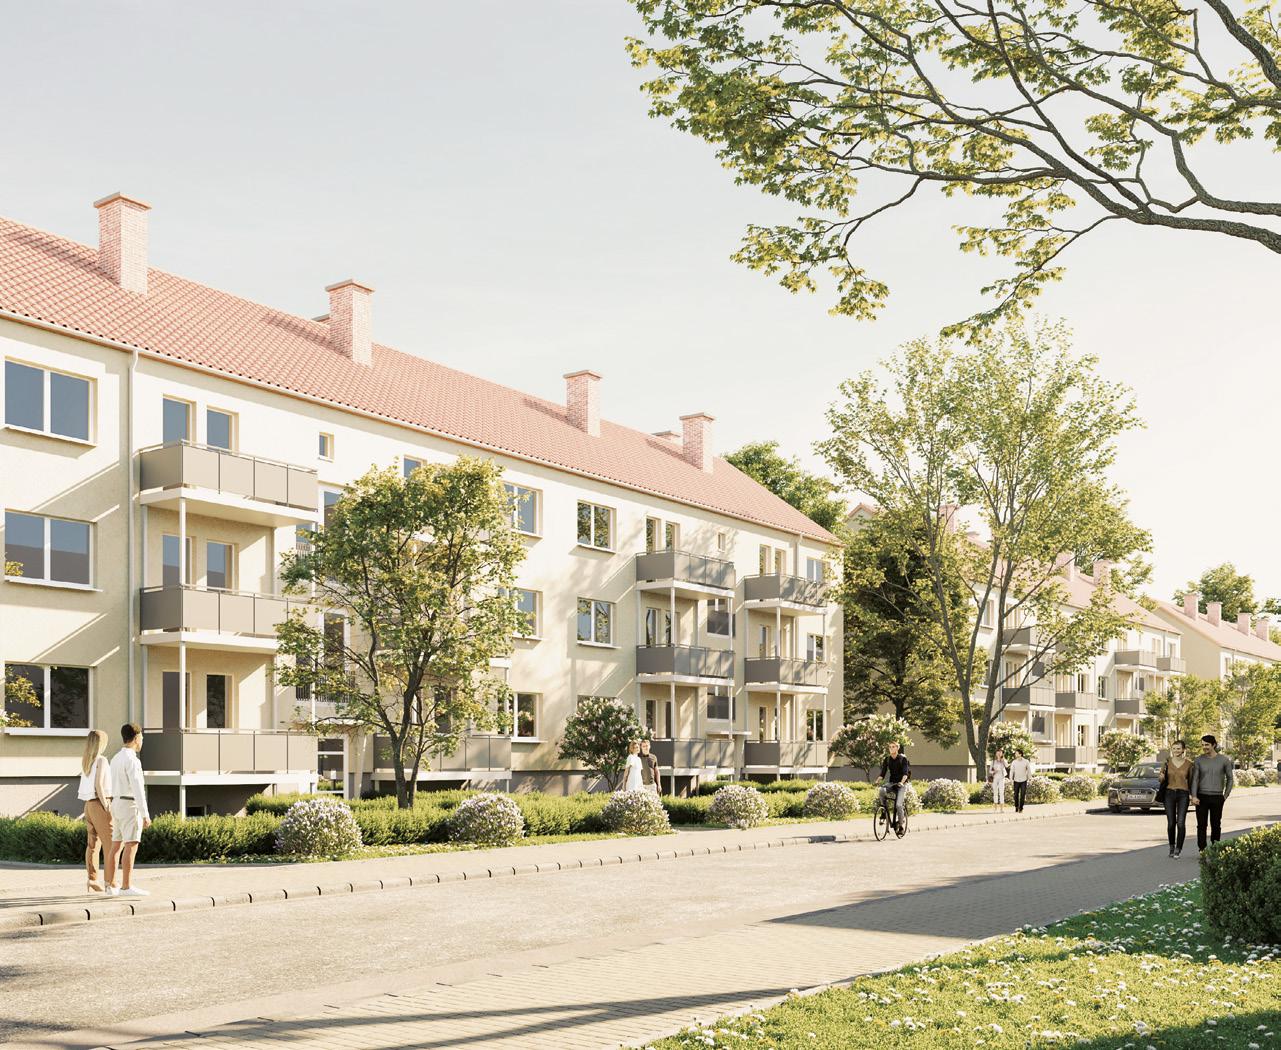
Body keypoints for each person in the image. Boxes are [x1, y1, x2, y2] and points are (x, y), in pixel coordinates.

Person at [107, 723, 151, 897]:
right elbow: (138, 788)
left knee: (115, 845)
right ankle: (126, 887)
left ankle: (110, 885)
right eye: (142, 737)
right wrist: (145, 814)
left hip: (116, 803)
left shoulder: (115, 758)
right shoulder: (133, 760)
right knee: (131, 845)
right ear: (136, 738)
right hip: (129, 804)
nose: (142, 740)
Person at [78, 730, 114, 893]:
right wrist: (106, 804)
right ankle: (110, 882)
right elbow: (99, 784)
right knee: (110, 844)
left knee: (92, 844)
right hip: (100, 803)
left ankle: (92, 879)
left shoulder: (87, 761)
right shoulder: (102, 760)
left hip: (88, 805)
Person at [1190, 734, 1233, 853]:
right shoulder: (1198, 760)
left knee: (1216, 824)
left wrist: (1225, 795)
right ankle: (1202, 849)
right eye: (1203, 745)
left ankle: (1215, 848)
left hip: (1217, 797)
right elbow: (1195, 779)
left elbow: (1230, 778)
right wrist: (1194, 796)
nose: (1204, 747)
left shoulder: (1224, 760)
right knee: (1201, 825)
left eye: (1207, 745)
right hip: (1201, 797)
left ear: (1214, 745)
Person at [1159, 739, 1192, 858]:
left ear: (1183, 750)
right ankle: (1171, 846)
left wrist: (1192, 795)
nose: (1176, 751)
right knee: (1171, 823)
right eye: (1174, 748)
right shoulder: (1167, 762)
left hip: (1183, 794)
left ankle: (1179, 848)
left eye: (1178, 748)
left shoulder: (1189, 764)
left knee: (1181, 823)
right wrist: (1161, 777)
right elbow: (1161, 779)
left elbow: (1191, 781)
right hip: (1169, 793)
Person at [876, 740, 911, 832]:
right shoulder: (887, 759)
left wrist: (902, 783)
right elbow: (882, 774)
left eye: (893, 747)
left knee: (898, 805)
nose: (891, 748)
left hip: (901, 784)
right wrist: (877, 780)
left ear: (897, 748)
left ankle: (901, 826)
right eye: (890, 747)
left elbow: (905, 774)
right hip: (891, 783)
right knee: (882, 790)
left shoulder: (903, 759)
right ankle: (884, 811)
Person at [989, 748, 1009, 813]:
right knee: (995, 792)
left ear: (1002, 754)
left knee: (1001, 792)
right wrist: (994, 771)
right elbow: (990, 771)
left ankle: (1002, 809)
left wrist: (1003, 760)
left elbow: (1007, 766)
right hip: (995, 778)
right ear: (996, 753)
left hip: (1001, 778)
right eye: (998, 752)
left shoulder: (1003, 760)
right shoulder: (993, 761)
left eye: (1000, 752)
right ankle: (995, 808)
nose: (999, 753)